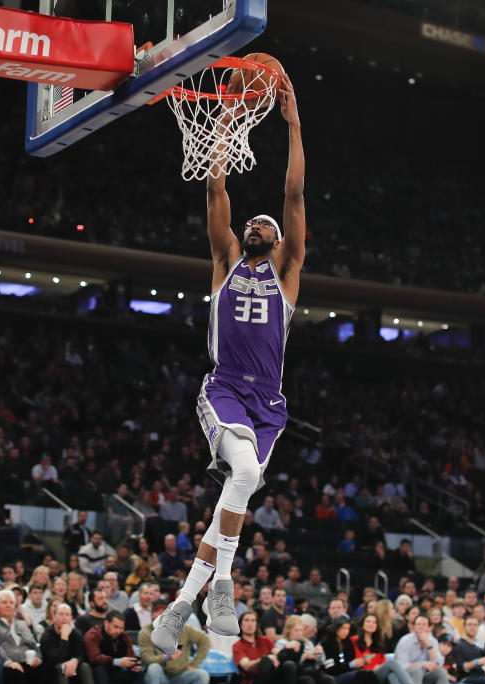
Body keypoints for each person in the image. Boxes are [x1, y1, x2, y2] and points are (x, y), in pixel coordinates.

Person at [152, 72, 306, 653]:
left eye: (266, 224)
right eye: (253, 223)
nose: (258, 224)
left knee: (232, 501)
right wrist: (221, 125)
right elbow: (216, 187)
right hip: (225, 390)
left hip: (269, 401)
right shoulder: (225, 260)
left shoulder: (286, 273)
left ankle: (177, 609)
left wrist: (292, 124)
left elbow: (293, 194)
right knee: (242, 478)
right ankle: (221, 583)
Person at [139, 598, 211, 684]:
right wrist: (165, 658)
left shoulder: (183, 628)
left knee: (202, 675)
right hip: (159, 676)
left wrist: (195, 664)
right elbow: (147, 659)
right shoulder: (146, 632)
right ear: (152, 615)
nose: (160, 614)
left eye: (163, 611)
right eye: (156, 611)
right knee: (153, 668)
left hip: (181, 675)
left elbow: (205, 640)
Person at [0, 590, 47, 684]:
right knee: (14, 672)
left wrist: (38, 658)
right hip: (8, 664)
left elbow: (34, 644)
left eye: (11, 603)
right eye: (4, 602)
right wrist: (9, 662)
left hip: (28, 662)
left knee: (47, 667)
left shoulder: (22, 624)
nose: (8, 605)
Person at [233, 609, 303, 684]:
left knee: (290, 663)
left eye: (253, 620)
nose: (250, 624)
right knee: (266, 661)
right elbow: (246, 666)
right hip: (254, 682)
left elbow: (279, 654)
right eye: (246, 620)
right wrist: (264, 659)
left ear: (257, 624)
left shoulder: (266, 640)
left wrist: (288, 647)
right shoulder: (238, 645)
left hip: (272, 679)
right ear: (241, 624)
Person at [40, 603, 97, 684]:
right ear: (54, 616)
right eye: (61, 614)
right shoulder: (47, 635)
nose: (64, 618)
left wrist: (75, 661)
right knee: (62, 667)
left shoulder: (76, 634)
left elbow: (81, 655)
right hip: (51, 676)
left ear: (71, 618)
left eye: (67, 615)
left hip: (72, 674)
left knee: (85, 667)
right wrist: (64, 638)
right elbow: (56, 660)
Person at [273, 614, 337, 684]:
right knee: (308, 681)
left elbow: (321, 662)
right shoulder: (283, 643)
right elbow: (284, 663)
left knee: (328, 680)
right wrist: (304, 656)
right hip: (294, 675)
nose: (299, 633)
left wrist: (319, 654)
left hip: (311, 671)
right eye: (296, 630)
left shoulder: (307, 642)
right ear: (288, 630)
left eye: (301, 630)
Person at [85, 610, 145, 684]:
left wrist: (133, 665)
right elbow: (94, 658)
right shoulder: (93, 634)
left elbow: (130, 656)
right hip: (96, 673)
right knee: (100, 671)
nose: (118, 631)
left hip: (115, 672)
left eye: (121, 628)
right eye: (116, 627)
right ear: (106, 623)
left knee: (138, 674)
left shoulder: (124, 636)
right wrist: (115, 661)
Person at [393, 614, 450, 684]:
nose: (421, 627)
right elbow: (401, 665)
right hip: (406, 676)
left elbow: (438, 663)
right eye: (418, 624)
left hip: (426, 675)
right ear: (414, 627)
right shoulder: (405, 641)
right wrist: (420, 664)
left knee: (442, 671)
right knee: (417, 671)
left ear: (428, 628)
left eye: (423, 625)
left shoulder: (432, 641)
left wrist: (428, 644)